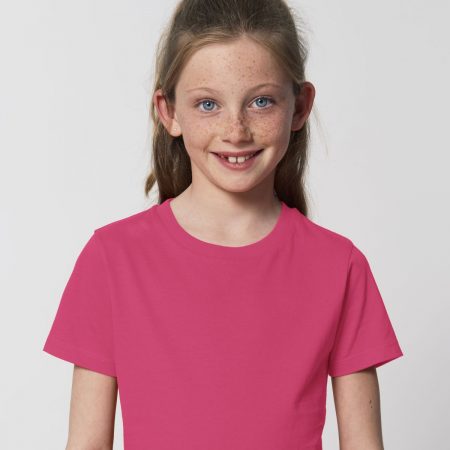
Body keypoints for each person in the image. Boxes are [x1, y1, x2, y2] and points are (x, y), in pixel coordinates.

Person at [42, 0, 404, 449]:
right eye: (208, 104)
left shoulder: (340, 266)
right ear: (169, 112)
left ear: (300, 107)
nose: (236, 130)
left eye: (261, 101)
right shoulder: (112, 258)